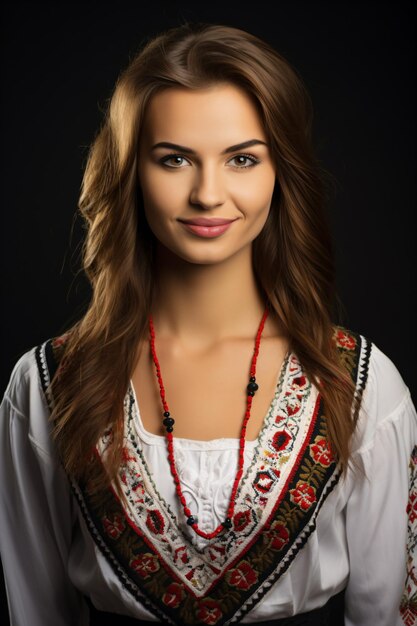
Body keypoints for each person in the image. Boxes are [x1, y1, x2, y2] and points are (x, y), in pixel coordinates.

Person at [0, 21, 415, 626]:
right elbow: (35, 611)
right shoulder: (47, 384)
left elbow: (386, 614)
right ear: (131, 173)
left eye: (242, 159)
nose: (208, 194)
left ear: (281, 173)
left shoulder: (361, 384)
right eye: (174, 160)